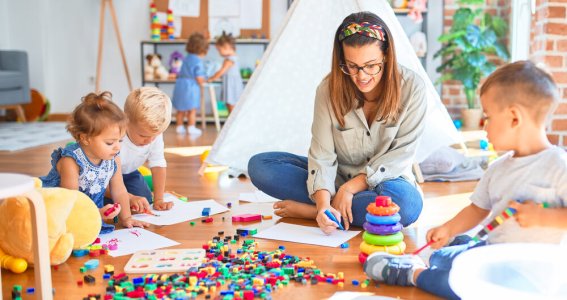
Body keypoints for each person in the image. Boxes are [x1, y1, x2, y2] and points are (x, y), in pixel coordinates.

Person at [364, 61, 567, 299]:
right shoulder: (498, 168)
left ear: (514, 118)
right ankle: (455, 249)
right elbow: (477, 209)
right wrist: (448, 229)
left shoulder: (558, 166)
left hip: (529, 275)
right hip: (491, 252)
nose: (484, 127)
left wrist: (544, 216)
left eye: (488, 117)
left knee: (457, 285)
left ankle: (413, 273)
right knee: (441, 256)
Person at [248, 12, 427, 234]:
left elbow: (401, 155)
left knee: (406, 205)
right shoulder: (328, 90)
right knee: (260, 167)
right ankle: (332, 212)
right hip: (337, 178)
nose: (361, 76)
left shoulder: (413, 88)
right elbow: (322, 155)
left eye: (371, 66)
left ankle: (312, 212)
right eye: (351, 66)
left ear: (387, 57)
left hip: (387, 181)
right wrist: (323, 204)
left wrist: (350, 189)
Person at [41, 92, 148, 233]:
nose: (117, 147)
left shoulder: (114, 157)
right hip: (61, 209)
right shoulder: (71, 161)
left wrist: (126, 218)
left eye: (120, 140)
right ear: (85, 138)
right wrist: (95, 213)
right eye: (110, 142)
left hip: (90, 212)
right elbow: (71, 199)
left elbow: (119, 189)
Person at [121, 87, 174, 211]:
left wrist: (159, 199)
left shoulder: (153, 134)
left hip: (129, 173)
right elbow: (108, 180)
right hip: (103, 177)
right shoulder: (115, 137)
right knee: (111, 202)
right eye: (143, 136)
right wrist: (127, 198)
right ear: (126, 121)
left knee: (145, 200)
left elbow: (158, 163)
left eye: (154, 136)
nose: (149, 141)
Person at [172, 32, 208, 136]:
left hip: (180, 84)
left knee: (180, 109)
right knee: (192, 109)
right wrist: (205, 79)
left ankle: (179, 127)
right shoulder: (198, 61)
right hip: (190, 87)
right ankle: (191, 127)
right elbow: (199, 78)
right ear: (202, 48)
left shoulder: (186, 58)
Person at [207, 32, 244, 113]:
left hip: (232, 85)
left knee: (231, 104)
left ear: (227, 47)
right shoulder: (232, 58)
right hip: (230, 83)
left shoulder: (229, 60)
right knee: (229, 104)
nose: (219, 53)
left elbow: (222, 71)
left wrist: (212, 78)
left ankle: (232, 123)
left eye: (220, 50)